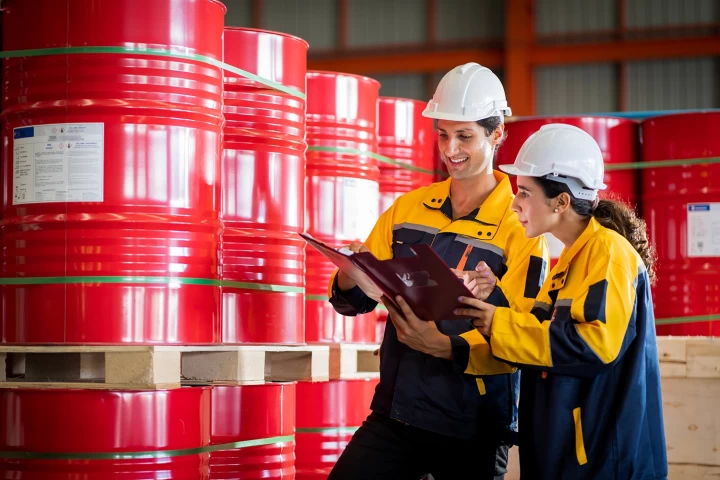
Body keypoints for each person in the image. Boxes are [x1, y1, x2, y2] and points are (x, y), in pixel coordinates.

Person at [326, 62, 549, 480]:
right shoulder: (407, 209)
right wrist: (349, 272)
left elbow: (528, 336)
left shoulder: (522, 227)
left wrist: (447, 347)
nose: (450, 149)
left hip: (473, 429)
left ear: (496, 134)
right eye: (443, 134)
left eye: (464, 136)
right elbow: (350, 301)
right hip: (397, 414)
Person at [444, 123, 668, 479]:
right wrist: (496, 300)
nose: (514, 204)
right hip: (568, 455)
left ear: (562, 201)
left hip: (600, 463)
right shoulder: (572, 259)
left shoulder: (608, 254)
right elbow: (539, 336)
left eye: (525, 193)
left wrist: (497, 323)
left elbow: (595, 347)